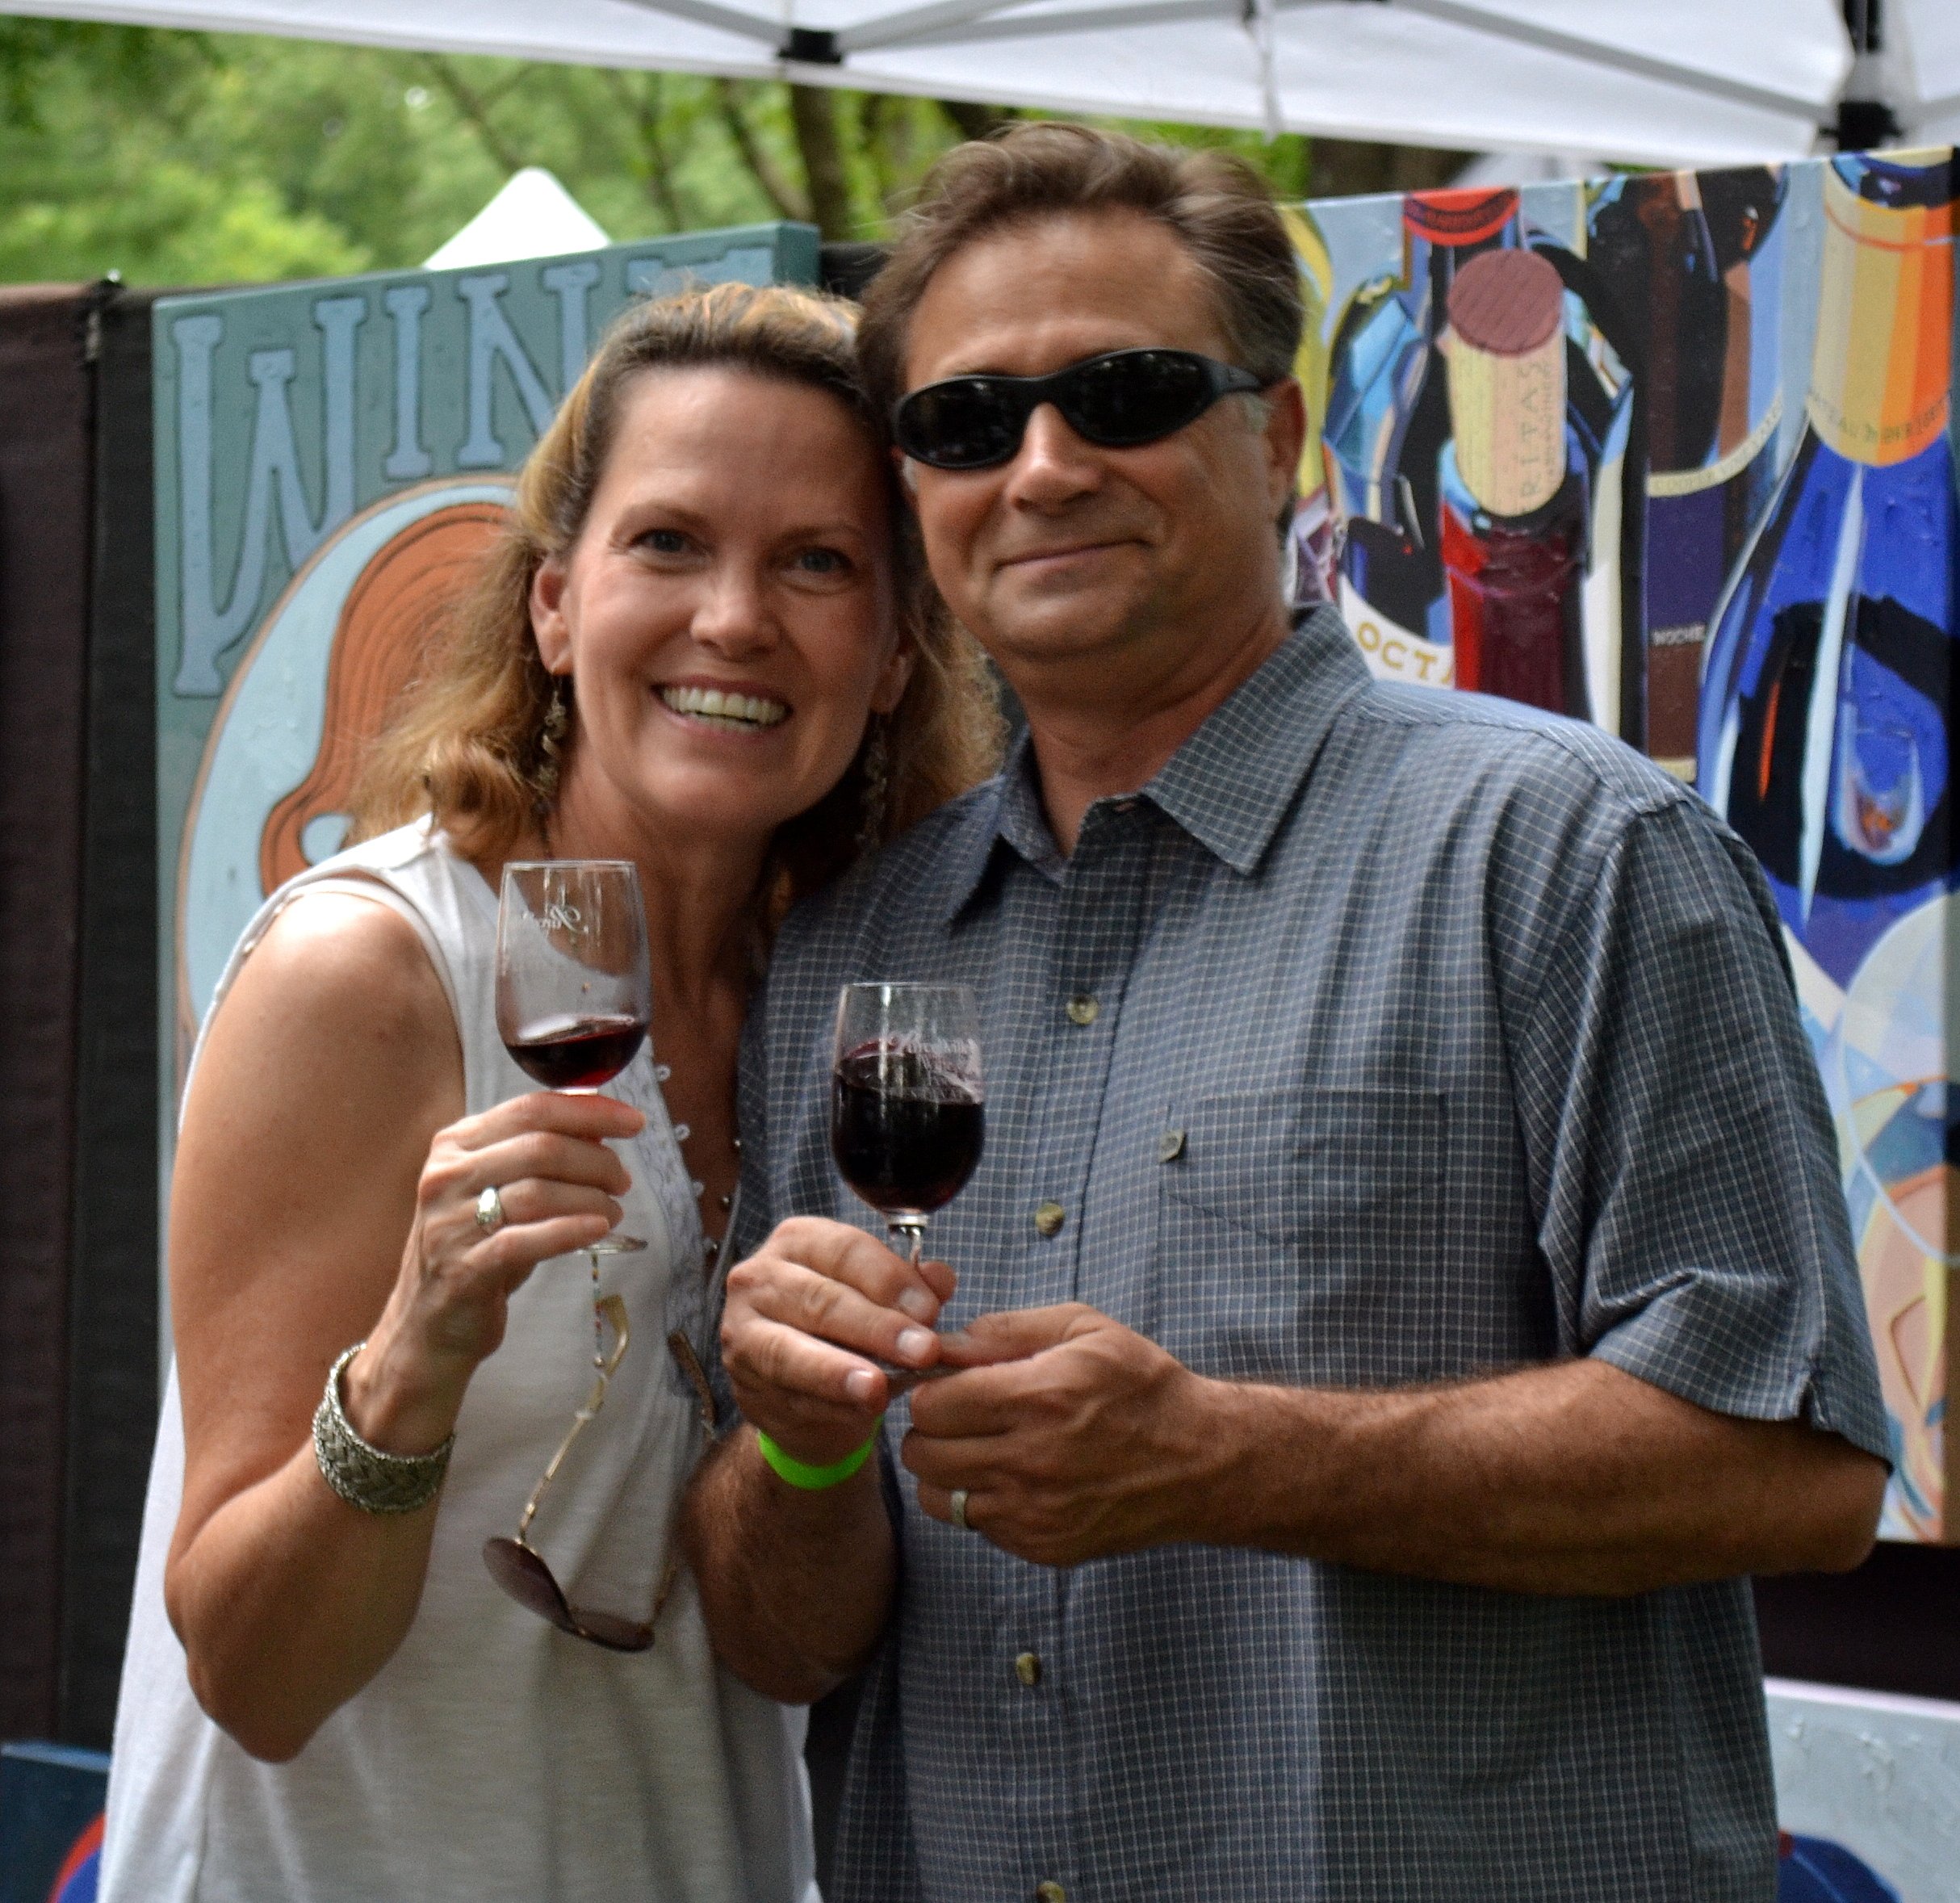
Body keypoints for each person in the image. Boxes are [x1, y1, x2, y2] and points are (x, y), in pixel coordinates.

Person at [682, 127, 1893, 1901]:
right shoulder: (866, 942)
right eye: (963, 422)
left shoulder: (1569, 851)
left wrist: (1221, 1460)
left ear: (1274, 434)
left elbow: (1787, 1470)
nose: (1038, 466)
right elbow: (784, 1641)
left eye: (1123, 392)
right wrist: (793, 1450)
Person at [99, 281, 997, 1903]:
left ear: (890, 654)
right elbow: (250, 1671)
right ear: (553, 610)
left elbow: (790, 1647)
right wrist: (410, 1366)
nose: (735, 617)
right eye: (667, 543)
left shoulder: (847, 1023)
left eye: (815, 562)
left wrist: (810, 1448)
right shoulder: (368, 974)